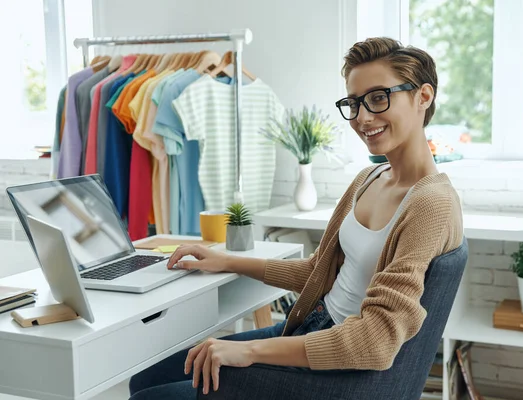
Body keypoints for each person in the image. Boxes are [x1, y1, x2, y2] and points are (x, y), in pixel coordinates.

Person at [128, 36, 464, 400]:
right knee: (147, 378)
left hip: (339, 367)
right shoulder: (368, 179)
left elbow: (376, 340)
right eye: (353, 103)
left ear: (423, 97)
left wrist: (249, 352)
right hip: (312, 326)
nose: (363, 117)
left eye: (379, 98)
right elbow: (318, 271)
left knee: (151, 395)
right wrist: (227, 261)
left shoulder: (430, 203)